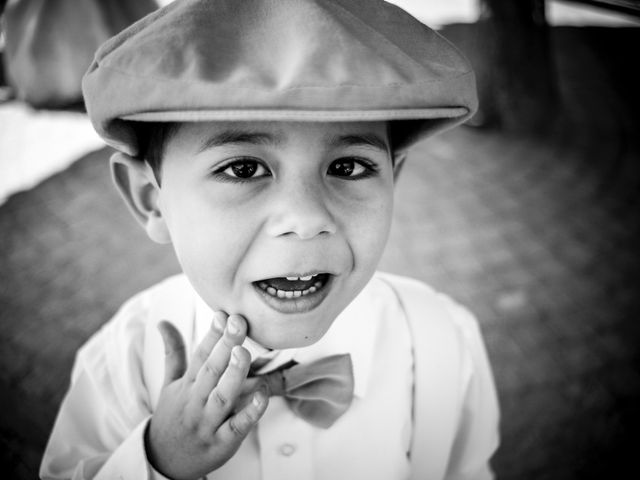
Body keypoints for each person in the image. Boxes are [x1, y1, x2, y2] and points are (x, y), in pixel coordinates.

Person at [40, 0, 500, 479]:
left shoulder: (441, 341)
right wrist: (157, 459)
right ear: (151, 200)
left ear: (393, 179)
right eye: (243, 169)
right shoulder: (120, 362)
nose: (305, 220)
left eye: (347, 167)